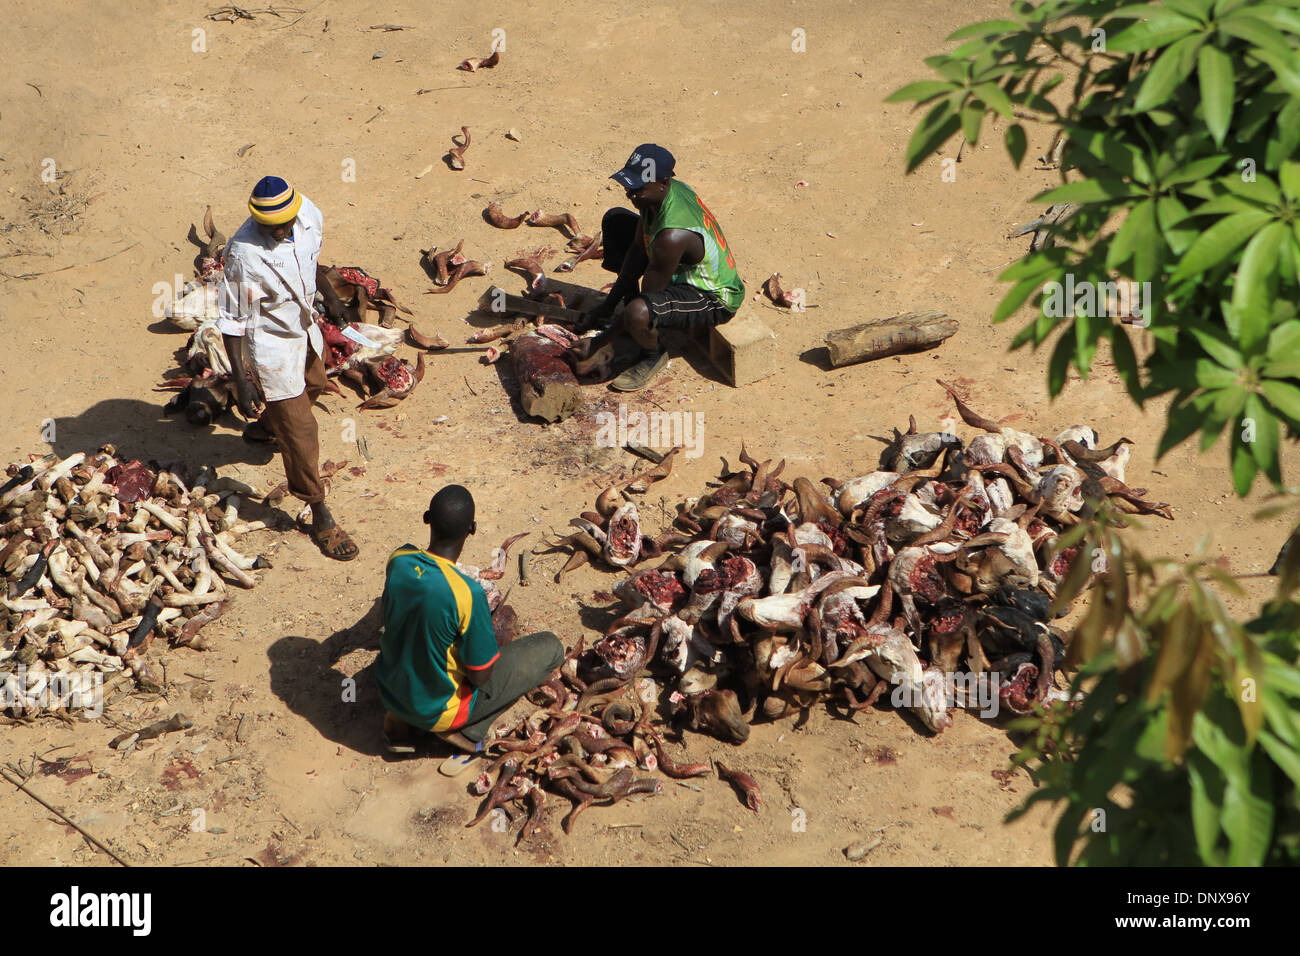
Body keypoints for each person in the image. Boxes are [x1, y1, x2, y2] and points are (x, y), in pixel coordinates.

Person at [217, 176, 358, 561]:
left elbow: (312, 262)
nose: (280, 231)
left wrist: (330, 297)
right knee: (301, 430)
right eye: (271, 227)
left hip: (305, 327)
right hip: (271, 344)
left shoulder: (307, 213)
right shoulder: (244, 255)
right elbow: (232, 322)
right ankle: (319, 511)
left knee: (316, 385)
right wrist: (241, 381)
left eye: (285, 223)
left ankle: (266, 428)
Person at [375, 485, 564, 768]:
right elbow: (480, 677)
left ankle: (401, 720)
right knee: (550, 647)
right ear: (471, 529)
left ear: (427, 518)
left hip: (390, 690)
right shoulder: (467, 594)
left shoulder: (399, 559)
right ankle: (465, 731)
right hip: (440, 710)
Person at [581, 144, 746, 391]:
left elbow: (649, 299)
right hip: (675, 266)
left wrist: (598, 343)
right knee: (616, 220)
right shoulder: (659, 197)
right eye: (628, 187)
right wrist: (606, 306)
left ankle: (653, 354)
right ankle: (626, 321)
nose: (630, 195)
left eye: (638, 189)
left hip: (713, 297)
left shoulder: (672, 235)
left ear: (662, 182)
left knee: (639, 313)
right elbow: (638, 250)